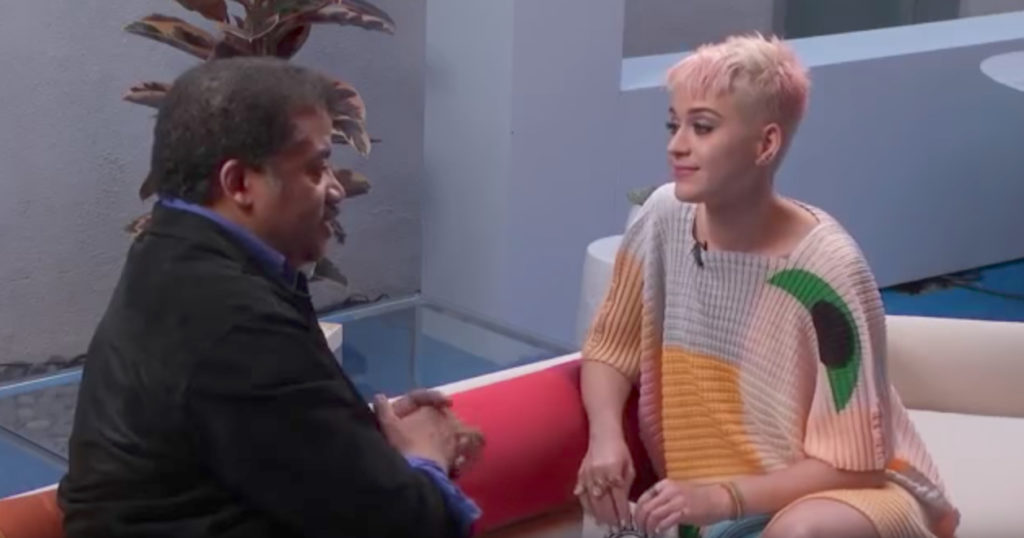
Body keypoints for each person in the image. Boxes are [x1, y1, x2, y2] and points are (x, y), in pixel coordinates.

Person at [58, 57, 482, 538]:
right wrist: (427, 455)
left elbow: (263, 437)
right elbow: (409, 528)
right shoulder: (235, 323)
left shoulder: (170, 251)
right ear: (240, 184)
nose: (336, 189)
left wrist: (366, 440)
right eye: (316, 167)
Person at [575, 34, 959, 538]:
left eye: (702, 127)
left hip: (847, 498)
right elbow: (610, 347)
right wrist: (605, 438)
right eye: (674, 124)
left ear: (766, 144)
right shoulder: (662, 218)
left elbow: (859, 466)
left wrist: (722, 497)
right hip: (723, 507)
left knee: (798, 533)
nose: (676, 145)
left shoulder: (827, 268)